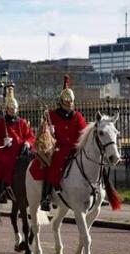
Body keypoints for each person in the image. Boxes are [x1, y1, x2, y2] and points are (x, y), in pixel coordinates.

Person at [40, 75, 87, 211]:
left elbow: (83, 132)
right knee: (54, 164)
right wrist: (49, 129)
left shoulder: (77, 116)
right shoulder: (52, 115)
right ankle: (46, 196)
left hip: (75, 147)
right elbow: (44, 133)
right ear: (61, 102)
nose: (69, 104)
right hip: (59, 147)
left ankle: (97, 191)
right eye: (67, 102)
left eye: (71, 102)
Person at [0, 86, 35, 202]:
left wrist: (27, 143)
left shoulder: (22, 122)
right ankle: (4, 188)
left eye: (14, 109)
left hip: (20, 150)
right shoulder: (0, 123)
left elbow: (30, 136)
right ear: (7, 109)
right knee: (6, 163)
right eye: (10, 109)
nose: (13, 111)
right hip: (6, 150)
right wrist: (3, 142)